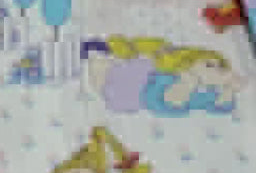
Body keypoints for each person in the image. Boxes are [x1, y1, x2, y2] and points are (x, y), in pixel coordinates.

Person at [87, 36, 240, 116]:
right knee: (114, 67)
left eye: (221, 68)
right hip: (136, 70)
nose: (216, 69)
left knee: (104, 80)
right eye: (209, 65)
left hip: (131, 93)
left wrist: (229, 90)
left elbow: (222, 106)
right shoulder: (174, 69)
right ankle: (102, 57)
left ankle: (98, 61)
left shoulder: (207, 94)